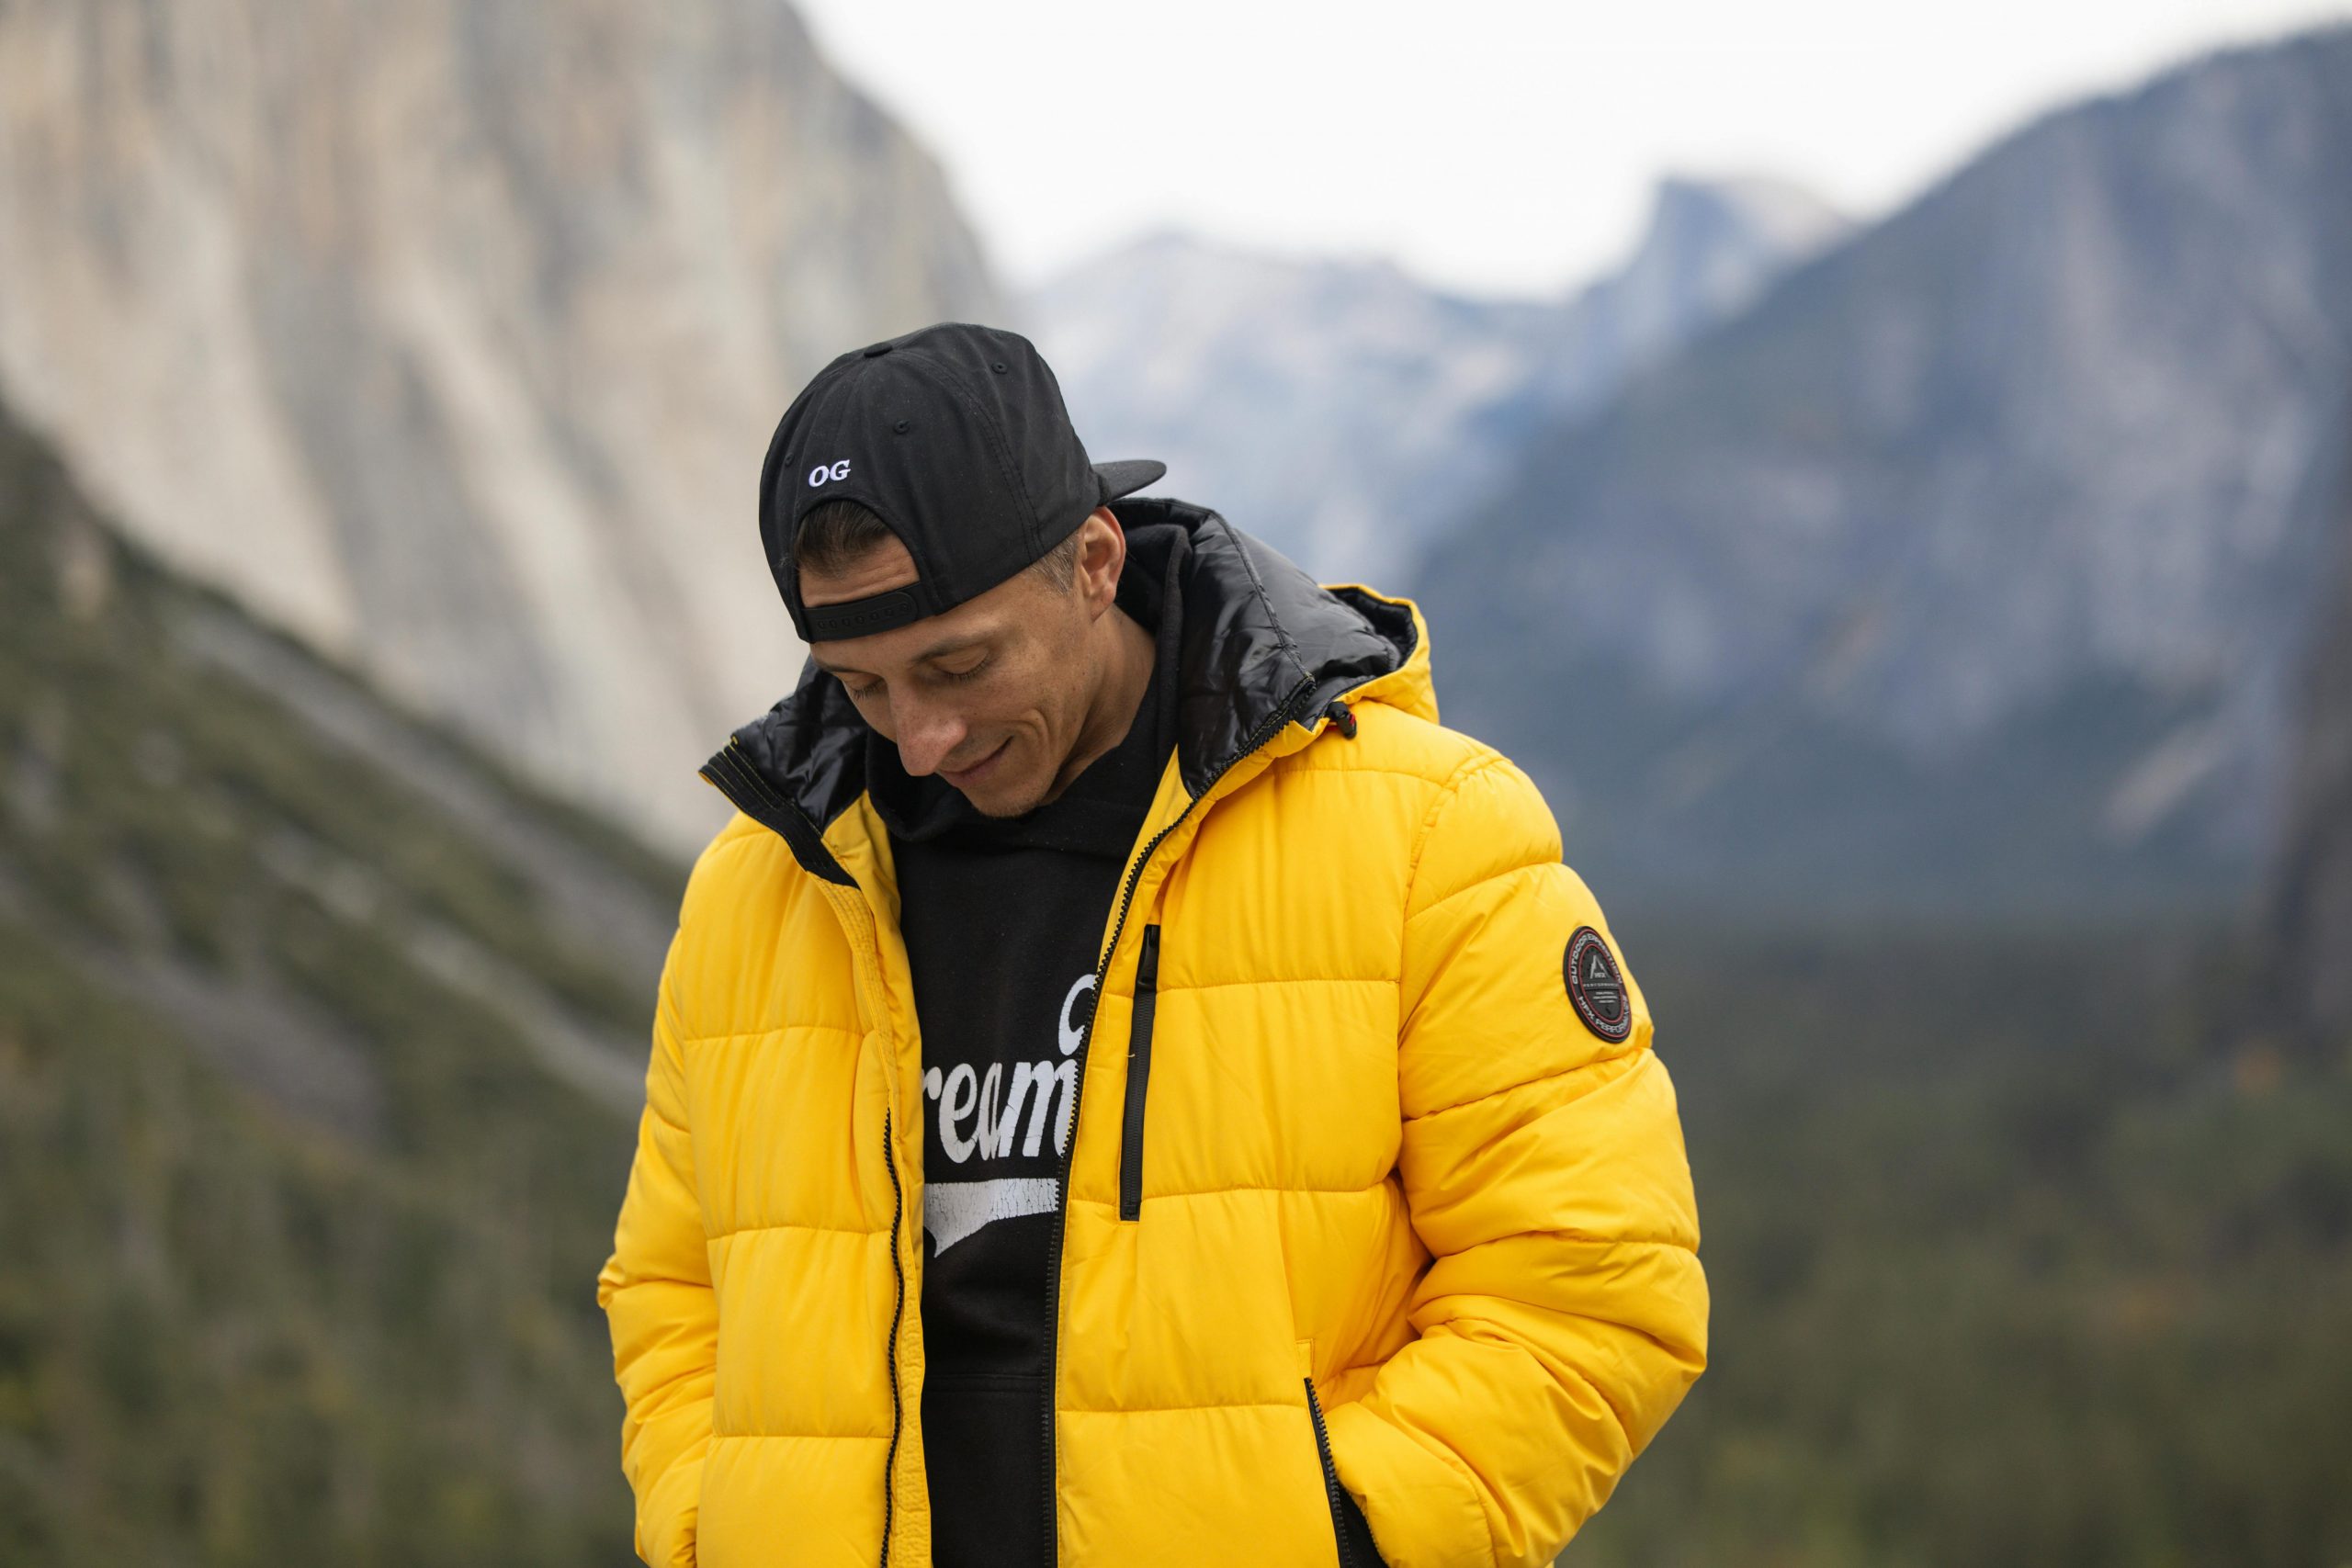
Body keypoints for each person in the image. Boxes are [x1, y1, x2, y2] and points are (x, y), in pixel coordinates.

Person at [594, 321, 1708, 1568]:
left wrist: (1341, 1539)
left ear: (1093, 561)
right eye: (861, 685)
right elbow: (671, 1291)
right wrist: (708, 1526)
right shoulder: (757, 894)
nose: (920, 738)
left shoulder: (1429, 838)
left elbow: (1594, 1284)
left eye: (959, 665)